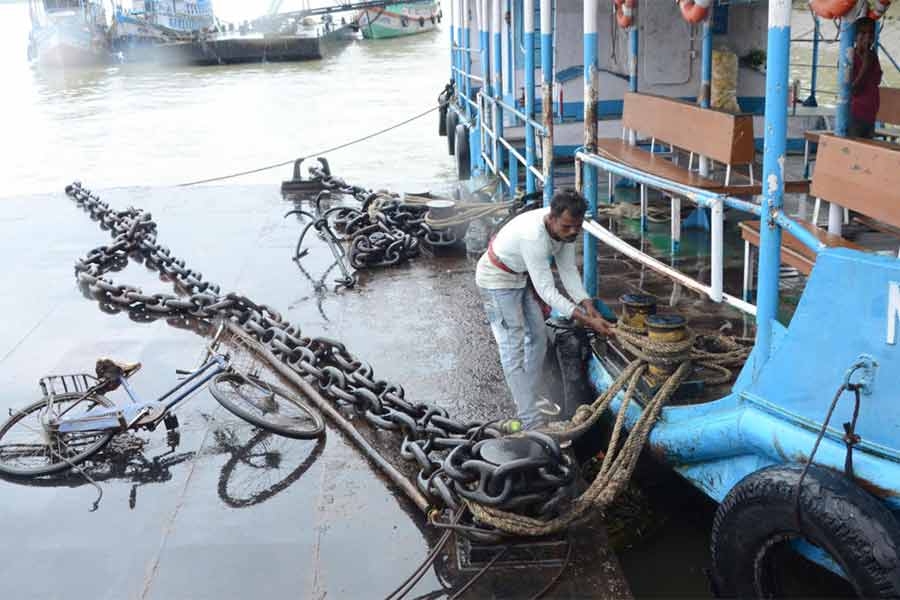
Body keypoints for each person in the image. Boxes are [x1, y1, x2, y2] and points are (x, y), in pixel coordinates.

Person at [475, 189, 613, 429]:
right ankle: (530, 419)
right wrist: (588, 321)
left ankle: (527, 394)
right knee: (512, 349)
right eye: (568, 226)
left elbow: (568, 270)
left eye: (577, 227)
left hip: (519, 277)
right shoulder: (533, 237)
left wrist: (588, 305)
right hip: (496, 281)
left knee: (538, 337)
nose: (573, 232)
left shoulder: (566, 231)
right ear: (552, 217)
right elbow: (547, 292)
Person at [850, 17, 883, 139]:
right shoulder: (849, 58)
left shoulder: (873, 56)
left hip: (870, 115)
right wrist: (865, 67)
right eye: (863, 33)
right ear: (855, 36)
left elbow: (877, 80)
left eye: (871, 34)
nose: (867, 38)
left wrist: (870, 61)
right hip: (855, 115)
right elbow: (853, 90)